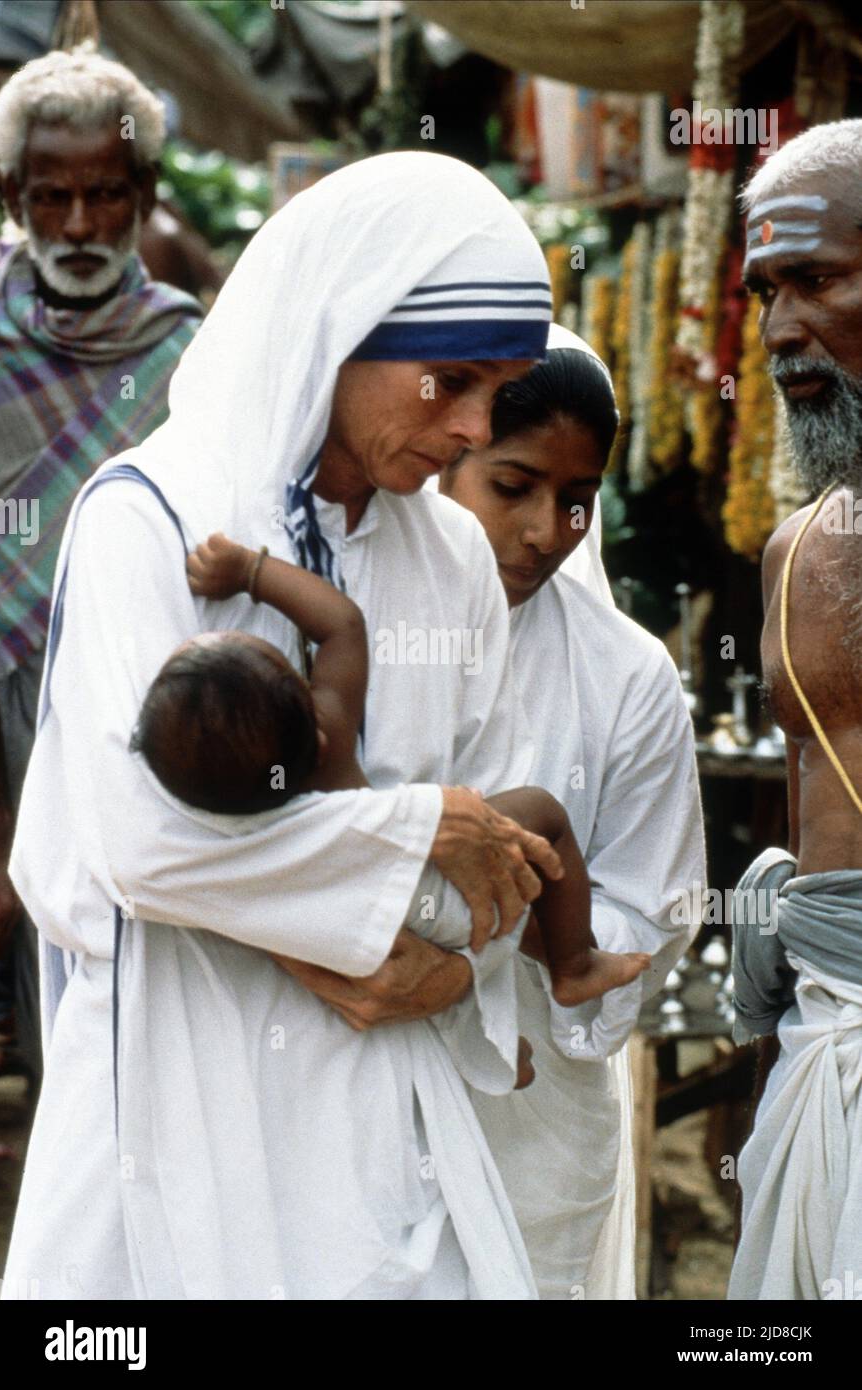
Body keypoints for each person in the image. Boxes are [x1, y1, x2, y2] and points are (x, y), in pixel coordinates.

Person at [4, 150, 567, 1301]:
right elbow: (140, 844)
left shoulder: (451, 552)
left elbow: (503, 836)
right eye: (448, 379)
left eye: (498, 392)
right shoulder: (149, 518)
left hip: (386, 1095)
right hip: (180, 1072)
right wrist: (413, 840)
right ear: (338, 327)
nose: (471, 427)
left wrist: (451, 976)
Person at [439, 327, 705, 1298]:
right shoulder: (358, 633)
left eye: (578, 500)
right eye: (513, 487)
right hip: (366, 1095)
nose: (549, 530)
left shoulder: (628, 674)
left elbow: (659, 908)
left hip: (539, 1126)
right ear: (445, 459)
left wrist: (522, 928)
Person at [132, 531, 649, 1002]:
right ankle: (575, 965)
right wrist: (251, 572)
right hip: (436, 895)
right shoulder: (330, 738)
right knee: (543, 813)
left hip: (353, 930)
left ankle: (504, 1050)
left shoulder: (230, 823)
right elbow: (343, 625)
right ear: (314, 729)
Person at [0, 46, 202, 1082]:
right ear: (10, 194)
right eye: (52, 197)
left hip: (118, 701)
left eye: (104, 197)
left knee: (92, 976)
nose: (79, 226)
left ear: (144, 195)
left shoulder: (190, 354)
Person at [728, 119, 862, 1300]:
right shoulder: (796, 549)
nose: (777, 332)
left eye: (815, 280)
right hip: (820, 1057)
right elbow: (812, 789)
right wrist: (783, 904)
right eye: (765, 291)